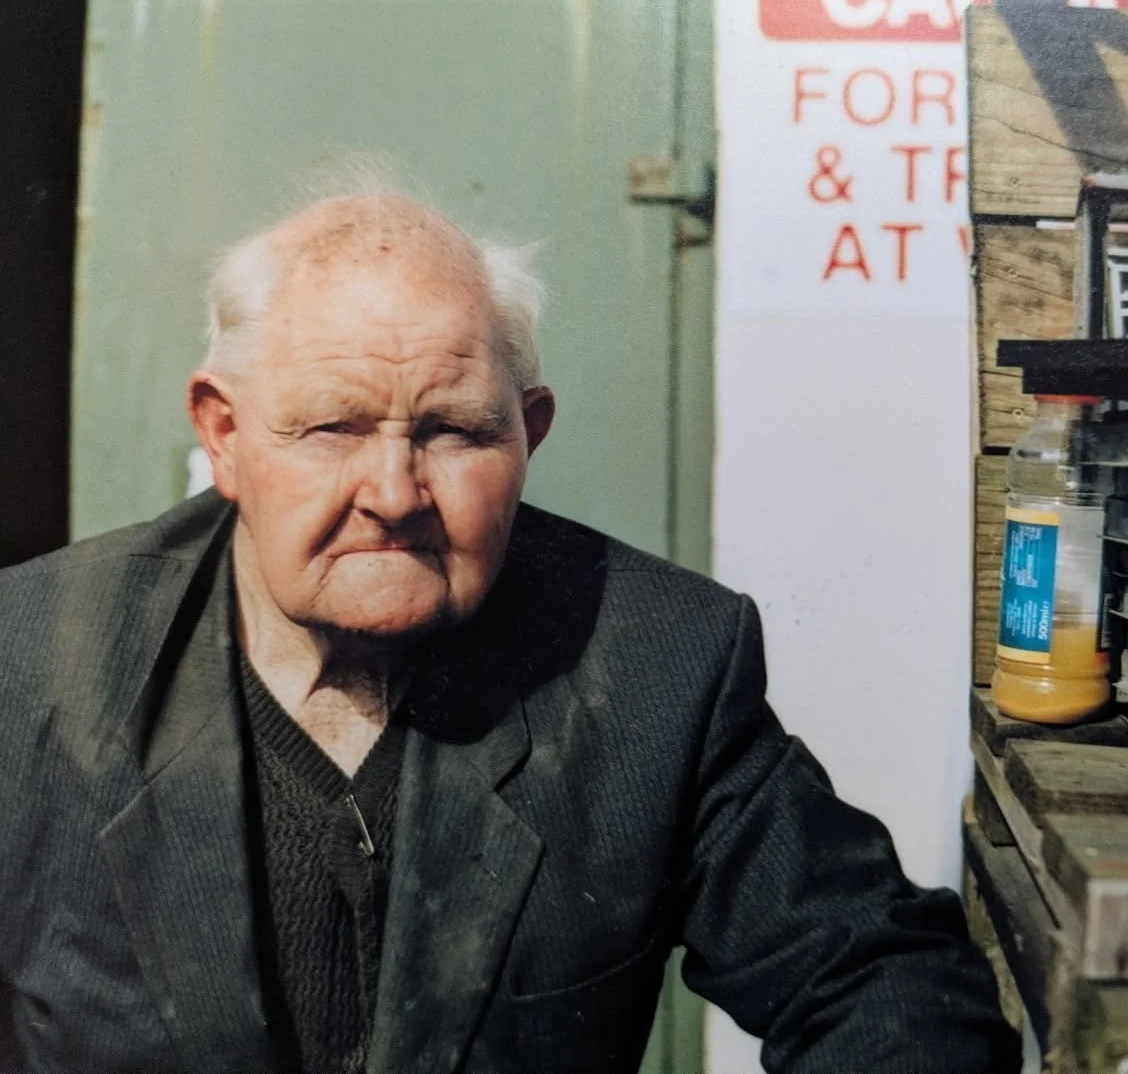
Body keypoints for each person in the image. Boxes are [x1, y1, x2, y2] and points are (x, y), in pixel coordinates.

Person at [0, 192, 1020, 1074]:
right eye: (332, 428)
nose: (394, 494)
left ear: (529, 434)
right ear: (223, 433)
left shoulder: (655, 661)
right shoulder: (30, 658)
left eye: (452, 431)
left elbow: (882, 980)